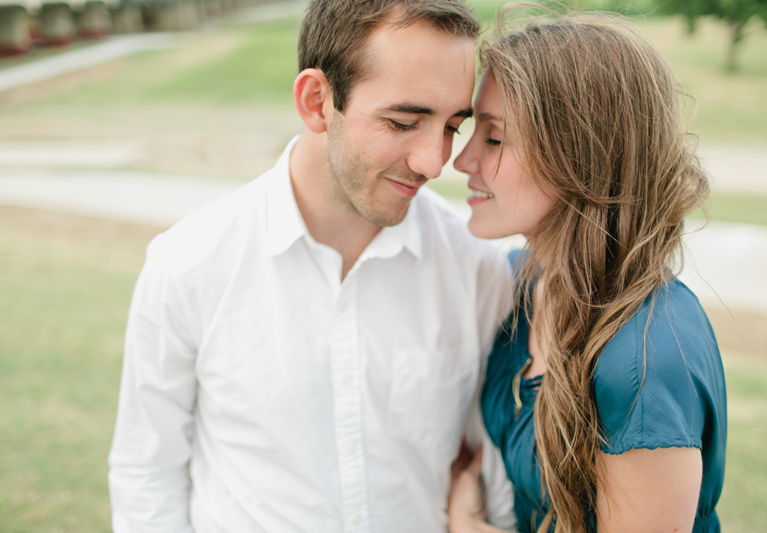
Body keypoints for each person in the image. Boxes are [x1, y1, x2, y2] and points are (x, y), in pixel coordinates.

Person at [107, 1, 519, 531]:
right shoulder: (188, 264)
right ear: (317, 101)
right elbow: (148, 473)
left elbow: (488, 461)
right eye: (403, 122)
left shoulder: (478, 267)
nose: (433, 163)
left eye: (451, 127)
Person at [447, 9, 727, 533]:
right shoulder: (524, 282)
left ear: (578, 155)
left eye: (494, 138)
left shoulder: (645, 357)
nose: (462, 161)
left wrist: (467, 524)